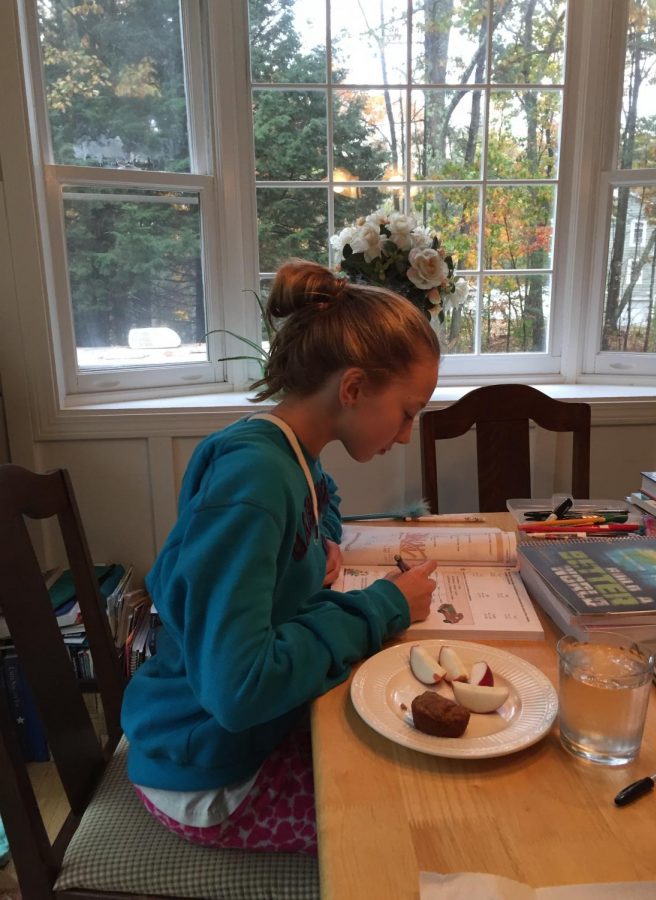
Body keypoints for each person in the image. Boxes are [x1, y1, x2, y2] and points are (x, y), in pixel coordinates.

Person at [121, 258, 440, 855]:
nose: (405, 434)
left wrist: (321, 537)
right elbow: (238, 689)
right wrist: (381, 607)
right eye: (408, 411)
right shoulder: (255, 481)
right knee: (413, 820)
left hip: (233, 737)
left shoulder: (289, 449)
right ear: (353, 388)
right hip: (207, 776)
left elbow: (324, 494)